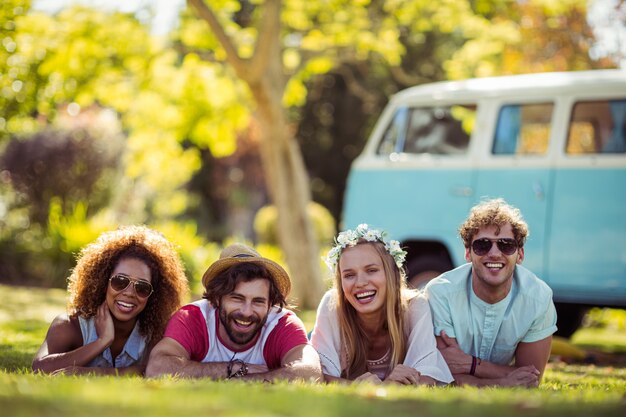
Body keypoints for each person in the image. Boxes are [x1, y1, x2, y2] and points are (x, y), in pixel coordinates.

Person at [425, 198, 557, 387]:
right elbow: (443, 375)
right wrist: (504, 382)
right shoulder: (441, 292)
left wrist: (471, 365)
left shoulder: (538, 298)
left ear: (520, 254)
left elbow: (531, 378)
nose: (494, 253)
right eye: (482, 245)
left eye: (506, 245)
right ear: (468, 253)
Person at [145, 243, 322, 382]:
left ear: (270, 305)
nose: (246, 311)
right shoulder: (193, 318)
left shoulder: (282, 323)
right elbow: (157, 367)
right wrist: (234, 369)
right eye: (237, 298)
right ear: (216, 299)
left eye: (258, 301)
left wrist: (243, 381)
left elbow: (310, 373)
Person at [32, 225, 189, 375]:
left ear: (153, 294)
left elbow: (151, 371)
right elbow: (40, 367)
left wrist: (90, 373)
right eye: (120, 281)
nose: (129, 293)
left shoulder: (156, 332)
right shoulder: (70, 324)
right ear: (102, 282)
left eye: (142, 287)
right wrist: (101, 341)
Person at [310, 224, 453, 385]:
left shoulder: (414, 306)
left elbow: (428, 377)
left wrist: (390, 385)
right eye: (349, 275)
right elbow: (315, 375)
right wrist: (356, 386)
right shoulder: (332, 304)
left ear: (391, 274)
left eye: (371, 270)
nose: (361, 283)